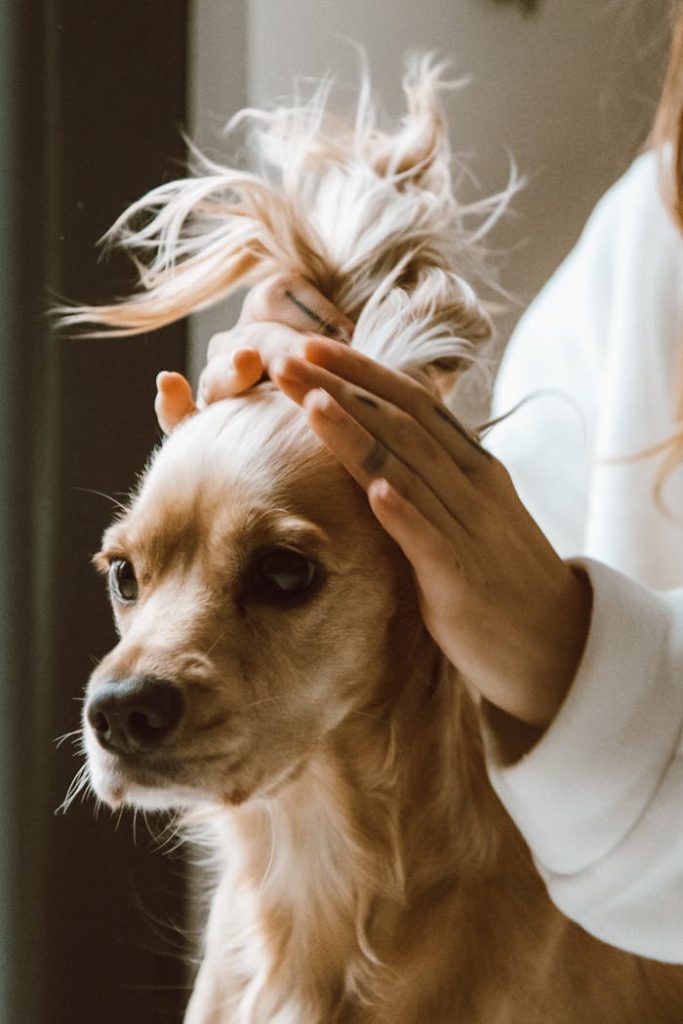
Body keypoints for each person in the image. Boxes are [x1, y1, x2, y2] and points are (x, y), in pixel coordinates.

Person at [154, 8, 683, 963]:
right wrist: (296, 434)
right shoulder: (647, 229)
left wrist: (564, 649)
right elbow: (470, 601)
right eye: (124, 577)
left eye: (279, 576)